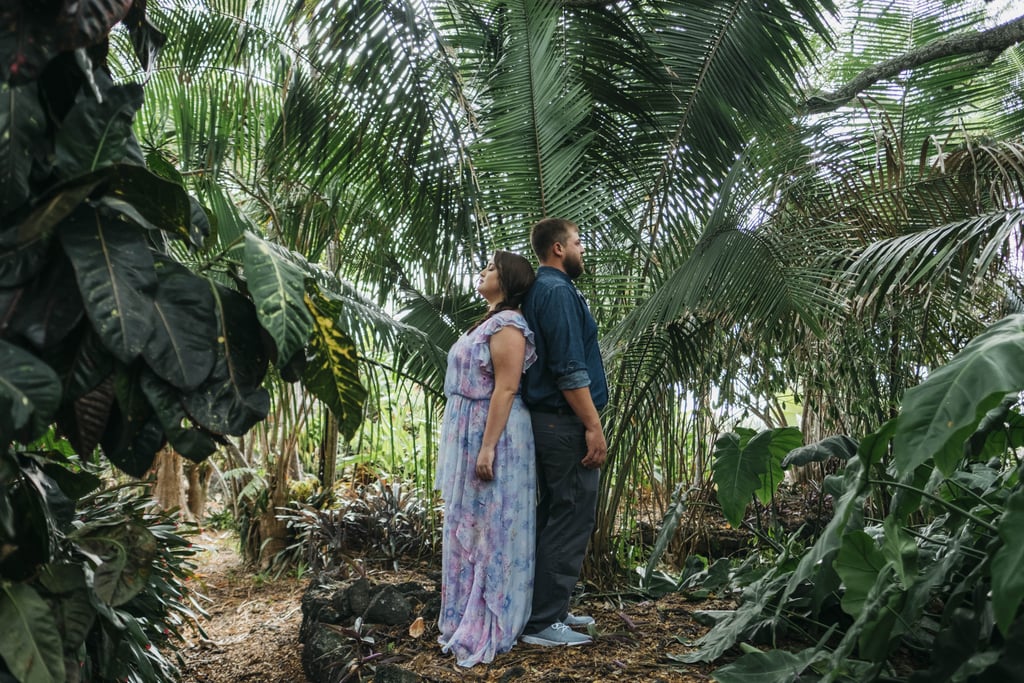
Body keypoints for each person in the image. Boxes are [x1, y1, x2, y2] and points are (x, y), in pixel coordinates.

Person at [435, 250, 538, 667]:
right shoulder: (487, 322)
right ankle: (462, 611)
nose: (483, 272)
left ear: (509, 280)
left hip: (494, 434)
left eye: (492, 268)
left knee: (492, 526)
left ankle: (491, 618)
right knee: (470, 523)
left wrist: (489, 446)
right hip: (472, 429)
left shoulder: (510, 325)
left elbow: (506, 388)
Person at [519, 217, 608, 647]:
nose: (582, 249)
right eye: (578, 242)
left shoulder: (550, 290)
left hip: (552, 422)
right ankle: (541, 623)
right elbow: (568, 369)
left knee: (556, 514)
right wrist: (593, 425)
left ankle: (548, 609)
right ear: (558, 249)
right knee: (571, 515)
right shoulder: (555, 291)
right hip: (562, 422)